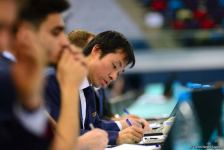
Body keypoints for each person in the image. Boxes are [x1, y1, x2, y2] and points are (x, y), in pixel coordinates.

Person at [45, 30, 151, 145]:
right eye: (114, 66)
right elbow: (61, 136)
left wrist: (122, 129)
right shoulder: (52, 81)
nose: (114, 77)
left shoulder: (88, 87)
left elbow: (94, 126)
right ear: (96, 51)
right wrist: (116, 137)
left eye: (119, 73)